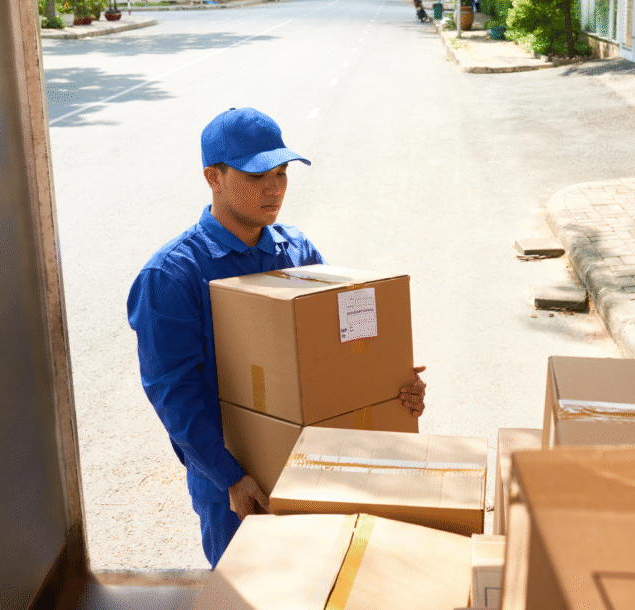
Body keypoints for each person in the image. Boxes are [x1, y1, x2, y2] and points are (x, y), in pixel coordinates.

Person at [127, 107, 427, 568]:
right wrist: (231, 479)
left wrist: (390, 385)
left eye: (282, 172)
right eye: (257, 174)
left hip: (317, 467)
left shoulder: (298, 252)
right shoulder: (173, 275)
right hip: (236, 485)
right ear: (214, 177)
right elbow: (174, 393)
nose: (275, 187)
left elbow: (338, 352)